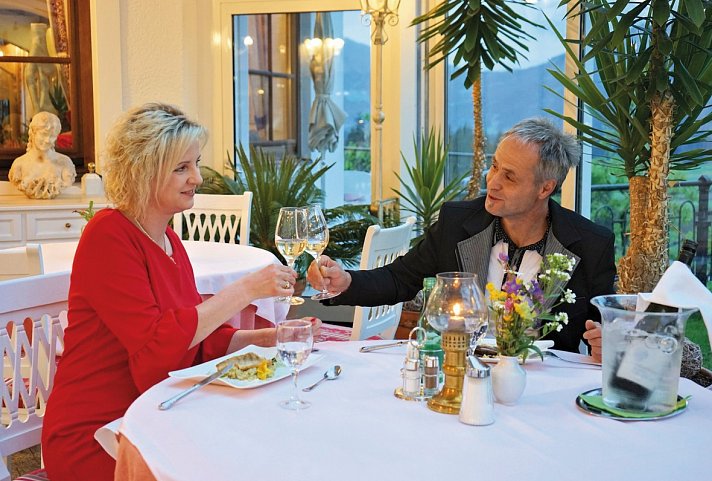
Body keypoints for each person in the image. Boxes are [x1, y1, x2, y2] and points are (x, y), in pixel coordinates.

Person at [41, 103, 301, 481]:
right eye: (181, 167)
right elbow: (155, 351)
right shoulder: (108, 236)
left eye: (196, 163)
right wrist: (245, 289)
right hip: (99, 432)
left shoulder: (169, 241)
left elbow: (194, 341)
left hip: (156, 415)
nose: (197, 177)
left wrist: (269, 338)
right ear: (142, 172)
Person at [308, 118, 614, 358]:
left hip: (544, 384)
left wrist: (607, 345)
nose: (492, 182)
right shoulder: (457, 222)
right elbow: (400, 278)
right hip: (461, 369)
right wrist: (346, 282)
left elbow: (604, 329)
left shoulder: (590, 244)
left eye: (509, 176)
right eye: (494, 166)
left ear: (545, 188)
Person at [8, 111, 76, 199]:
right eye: (43, 134)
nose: (47, 140)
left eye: (52, 136)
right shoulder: (19, 165)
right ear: (33, 133)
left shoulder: (64, 163)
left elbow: (66, 183)